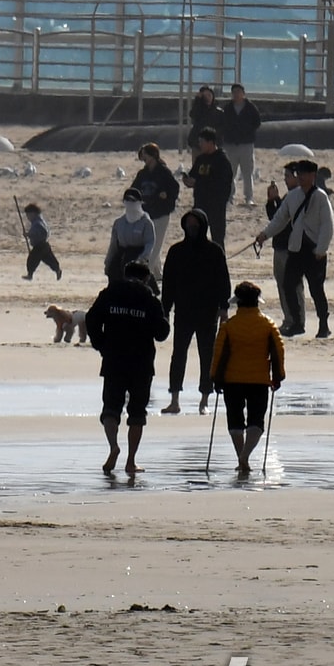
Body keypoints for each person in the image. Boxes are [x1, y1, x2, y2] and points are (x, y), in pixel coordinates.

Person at [86, 260, 171, 478]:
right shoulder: (150, 299)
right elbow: (161, 333)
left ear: (125, 275)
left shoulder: (110, 293)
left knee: (110, 409)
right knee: (137, 413)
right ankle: (131, 462)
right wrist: (165, 317)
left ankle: (113, 446)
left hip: (114, 358)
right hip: (141, 363)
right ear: (146, 278)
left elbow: (91, 319)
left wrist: (101, 344)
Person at [160, 208, 231, 415]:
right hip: (183, 312)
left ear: (203, 226)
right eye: (188, 224)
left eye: (195, 224)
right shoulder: (176, 251)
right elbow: (168, 284)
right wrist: (165, 310)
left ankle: (205, 400)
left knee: (207, 355)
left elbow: (223, 281)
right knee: (178, 355)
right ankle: (174, 399)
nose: (192, 228)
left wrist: (224, 307)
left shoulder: (215, 251)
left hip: (208, 313)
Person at [210, 281, 286, 475]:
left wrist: (215, 378)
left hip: (232, 380)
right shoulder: (268, 324)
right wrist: (278, 377)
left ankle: (241, 458)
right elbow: (278, 351)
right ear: (257, 302)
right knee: (256, 421)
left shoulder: (229, 326)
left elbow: (218, 353)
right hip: (259, 380)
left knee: (235, 421)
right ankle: (245, 457)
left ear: (238, 303)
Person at [255, 159, 334, 338]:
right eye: (298, 174)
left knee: (316, 289)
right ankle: (297, 323)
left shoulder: (321, 197)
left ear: (313, 176)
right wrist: (264, 235)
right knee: (288, 284)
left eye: (304, 174)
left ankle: (323, 323)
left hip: (315, 251)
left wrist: (321, 249)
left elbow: (327, 225)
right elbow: (280, 219)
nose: (301, 178)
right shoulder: (292, 196)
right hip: (296, 249)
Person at [265, 164, 306, 334]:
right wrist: (271, 200)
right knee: (282, 285)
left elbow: (284, 221)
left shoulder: (301, 196)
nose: (285, 179)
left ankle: (297, 321)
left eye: (288, 176)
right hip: (280, 247)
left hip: (292, 249)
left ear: (297, 177)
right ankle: (290, 319)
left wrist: (276, 200)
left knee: (294, 286)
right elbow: (275, 219)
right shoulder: (289, 197)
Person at [132, 143, 180, 279]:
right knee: (149, 243)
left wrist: (167, 195)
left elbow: (174, 188)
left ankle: (146, 274)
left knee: (155, 245)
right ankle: (157, 273)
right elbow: (134, 189)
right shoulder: (143, 174)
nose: (143, 158)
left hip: (161, 214)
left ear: (153, 155)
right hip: (146, 213)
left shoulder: (164, 172)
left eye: (145, 155)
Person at [182, 127, 234, 247]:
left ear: (210, 142)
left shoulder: (222, 160)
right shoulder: (200, 159)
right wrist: (187, 180)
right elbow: (194, 175)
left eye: (202, 142)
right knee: (195, 236)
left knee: (217, 239)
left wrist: (198, 183)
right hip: (200, 203)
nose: (200, 145)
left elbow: (222, 183)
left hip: (216, 205)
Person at [221, 83, 262, 206]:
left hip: (246, 144)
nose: (236, 94)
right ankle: (229, 197)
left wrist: (247, 132)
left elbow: (257, 122)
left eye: (239, 92)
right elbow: (223, 124)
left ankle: (248, 197)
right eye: (234, 92)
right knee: (230, 172)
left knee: (247, 172)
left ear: (243, 94)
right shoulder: (227, 108)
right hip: (230, 144)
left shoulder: (250, 108)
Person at [103, 189, 156, 284]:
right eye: (127, 200)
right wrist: (108, 262)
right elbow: (113, 245)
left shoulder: (146, 223)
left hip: (137, 259)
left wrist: (141, 260)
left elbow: (150, 242)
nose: (130, 204)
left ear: (140, 202)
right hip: (120, 257)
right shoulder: (119, 223)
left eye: (133, 201)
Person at [22, 202, 62, 281]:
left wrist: (29, 234)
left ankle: (30, 275)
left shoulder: (37, 223)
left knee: (32, 259)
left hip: (39, 246)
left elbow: (42, 231)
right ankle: (57, 270)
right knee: (49, 260)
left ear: (33, 213)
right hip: (45, 245)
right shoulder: (39, 220)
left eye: (28, 215)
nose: (27, 217)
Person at [186, 85, 222, 150]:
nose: (207, 98)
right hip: (198, 144)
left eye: (209, 95)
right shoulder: (199, 110)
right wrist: (197, 100)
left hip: (212, 144)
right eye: (205, 96)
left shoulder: (218, 112)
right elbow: (193, 114)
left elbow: (221, 128)